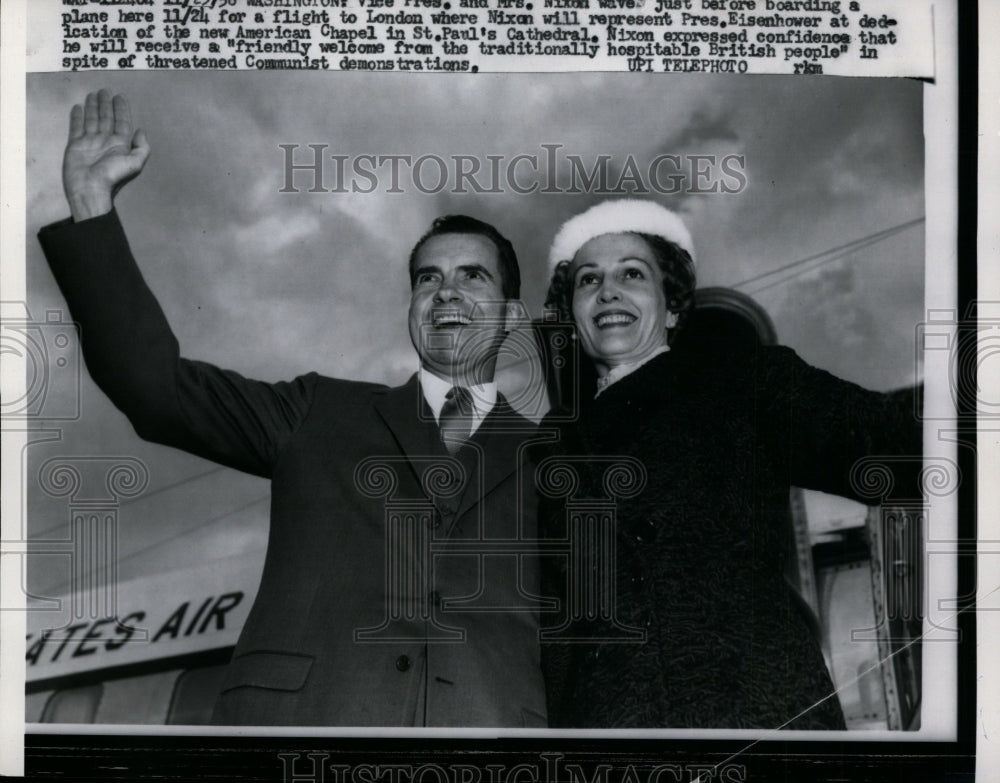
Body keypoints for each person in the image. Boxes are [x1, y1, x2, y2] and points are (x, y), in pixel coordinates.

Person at [37, 90, 547, 727]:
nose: (446, 292)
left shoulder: (557, 459)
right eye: (427, 278)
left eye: (473, 277)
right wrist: (91, 206)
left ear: (511, 315)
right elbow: (153, 389)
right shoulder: (317, 411)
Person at [537, 199, 921, 730]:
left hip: (758, 721)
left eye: (632, 273)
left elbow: (901, 444)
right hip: (613, 740)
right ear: (572, 317)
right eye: (588, 280)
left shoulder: (744, 386)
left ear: (672, 307)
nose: (608, 291)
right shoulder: (546, 453)